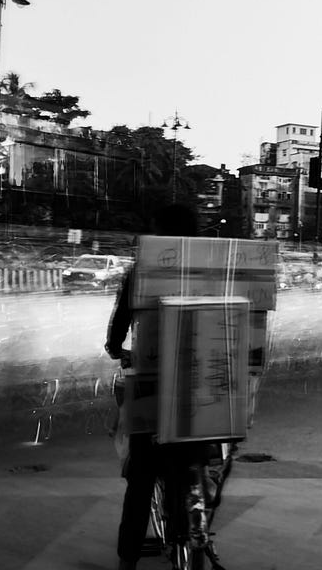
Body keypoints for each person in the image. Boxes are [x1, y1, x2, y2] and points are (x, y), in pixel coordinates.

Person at [105, 204, 202, 570]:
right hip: (206, 388)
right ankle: (195, 525)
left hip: (152, 384)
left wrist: (116, 348)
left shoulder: (143, 270)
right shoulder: (209, 269)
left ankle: (128, 558)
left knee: (142, 476)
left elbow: (120, 320)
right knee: (197, 460)